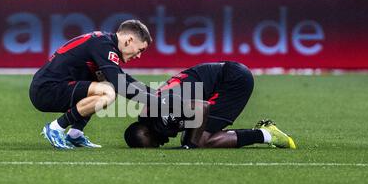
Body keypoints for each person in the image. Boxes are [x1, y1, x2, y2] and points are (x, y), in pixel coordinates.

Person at [30, 19, 167, 149]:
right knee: (108, 91)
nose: (138, 56)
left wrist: (157, 94)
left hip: (54, 86)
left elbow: (123, 79)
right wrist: (157, 101)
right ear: (129, 40)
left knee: (105, 81)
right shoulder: (103, 45)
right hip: (46, 90)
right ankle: (55, 128)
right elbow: (121, 85)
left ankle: (75, 134)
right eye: (140, 50)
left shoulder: (104, 43)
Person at [124, 61, 296, 149]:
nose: (158, 145)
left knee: (200, 141)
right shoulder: (151, 115)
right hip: (225, 75)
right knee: (193, 135)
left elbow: (202, 107)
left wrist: (189, 146)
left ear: (146, 132)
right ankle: (265, 133)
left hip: (232, 81)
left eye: (152, 144)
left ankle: (266, 134)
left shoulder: (161, 113)